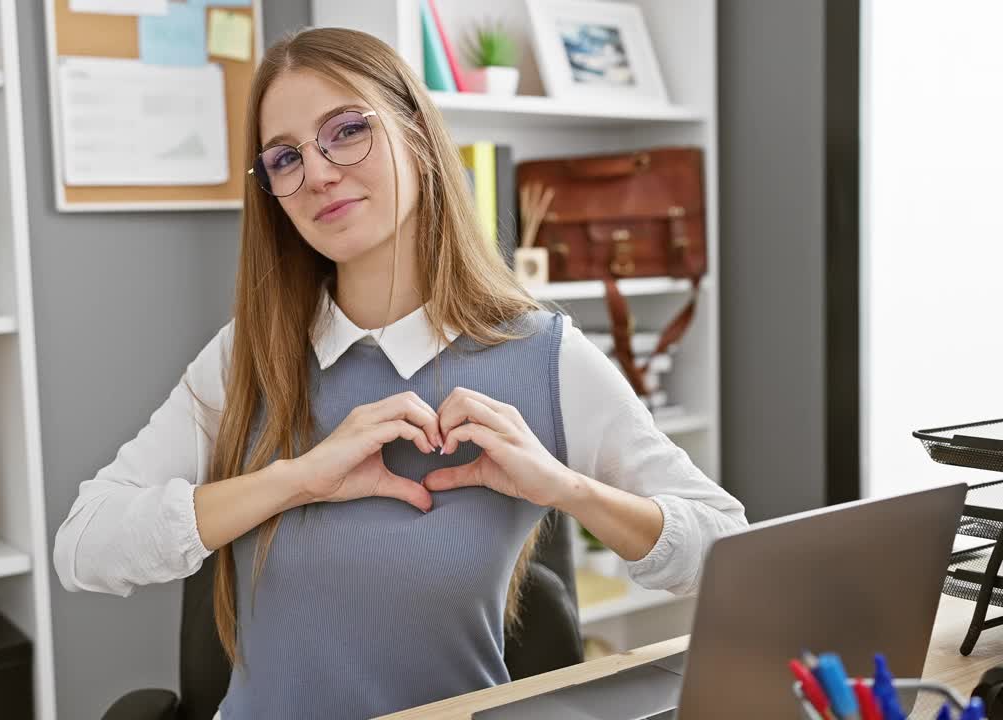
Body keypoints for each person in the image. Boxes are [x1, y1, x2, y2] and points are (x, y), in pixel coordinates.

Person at [53, 26, 747, 720]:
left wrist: (568, 488)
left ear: (416, 133)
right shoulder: (248, 356)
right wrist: (297, 480)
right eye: (285, 157)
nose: (318, 173)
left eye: (347, 130)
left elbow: (728, 552)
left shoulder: (545, 355)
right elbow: (85, 546)